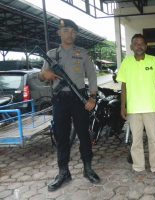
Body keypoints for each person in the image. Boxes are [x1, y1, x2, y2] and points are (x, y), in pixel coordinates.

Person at [39, 19, 100, 191]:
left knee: (84, 135)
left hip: (79, 99)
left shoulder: (83, 53)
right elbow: (42, 76)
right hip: (59, 100)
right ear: (59, 33)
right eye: (66, 30)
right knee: (61, 137)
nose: (70, 34)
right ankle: (63, 172)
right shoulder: (51, 55)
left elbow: (92, 77)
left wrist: (92, 98)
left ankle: (87, 169)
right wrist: (46, 75)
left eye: (73, 31)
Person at [116, 34, 155, 175]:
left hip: (151, 108)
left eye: (142, 43)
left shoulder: (154, 61)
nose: (139, 45)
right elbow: (123, 87)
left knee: (153, 139)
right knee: (136, 140)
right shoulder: (126, 62)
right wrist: (123, 107)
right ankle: (138, 167)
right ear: (131, 47)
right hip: (133, 109)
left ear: (146, 46)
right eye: (136, 43)